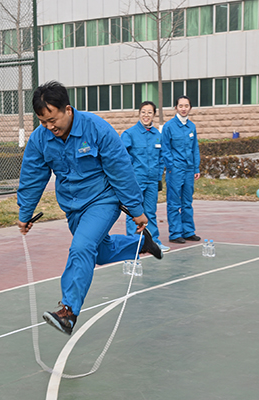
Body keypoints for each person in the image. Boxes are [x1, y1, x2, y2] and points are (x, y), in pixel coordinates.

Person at [17, 81, 163, 336]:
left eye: (53, 120)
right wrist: (25, 213)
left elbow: (120, 170)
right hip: (72, 206)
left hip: (102, 200)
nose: (50, 127)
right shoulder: (41, 139)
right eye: (43, 122)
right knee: (97, 253)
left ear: (68, 109)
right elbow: (32, 177)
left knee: (82, 247)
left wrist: (137, 209)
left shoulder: (96, 129)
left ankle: (68, 311)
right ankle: (140, 245)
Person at [121, 101, 170, 252]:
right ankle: (133, 242)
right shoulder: (130, 134)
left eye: (149, 112)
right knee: (133, 212)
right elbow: (122, 156)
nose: (146, 115)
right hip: (136, 180)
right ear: (139, 113)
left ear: (154, 115)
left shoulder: (157, 135)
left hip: (152, 181)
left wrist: (158, 175)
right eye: (143, 112)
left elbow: (161, 157)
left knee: (150, 212)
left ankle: (153, 241)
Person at [161, 96, 201, 244]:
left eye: (186, 106)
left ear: (190, 107)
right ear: (176, 108)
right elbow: (165, 149)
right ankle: (175, 233)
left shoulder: (192, 126)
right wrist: (171, 166)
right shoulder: (169, 126)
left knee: (187, 202)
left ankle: (188, 231)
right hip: (175, 170)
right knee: (174, 202)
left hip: (189, 169)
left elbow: (194, 148)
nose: (183, 108)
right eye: (180, 106)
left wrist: (196, 167)